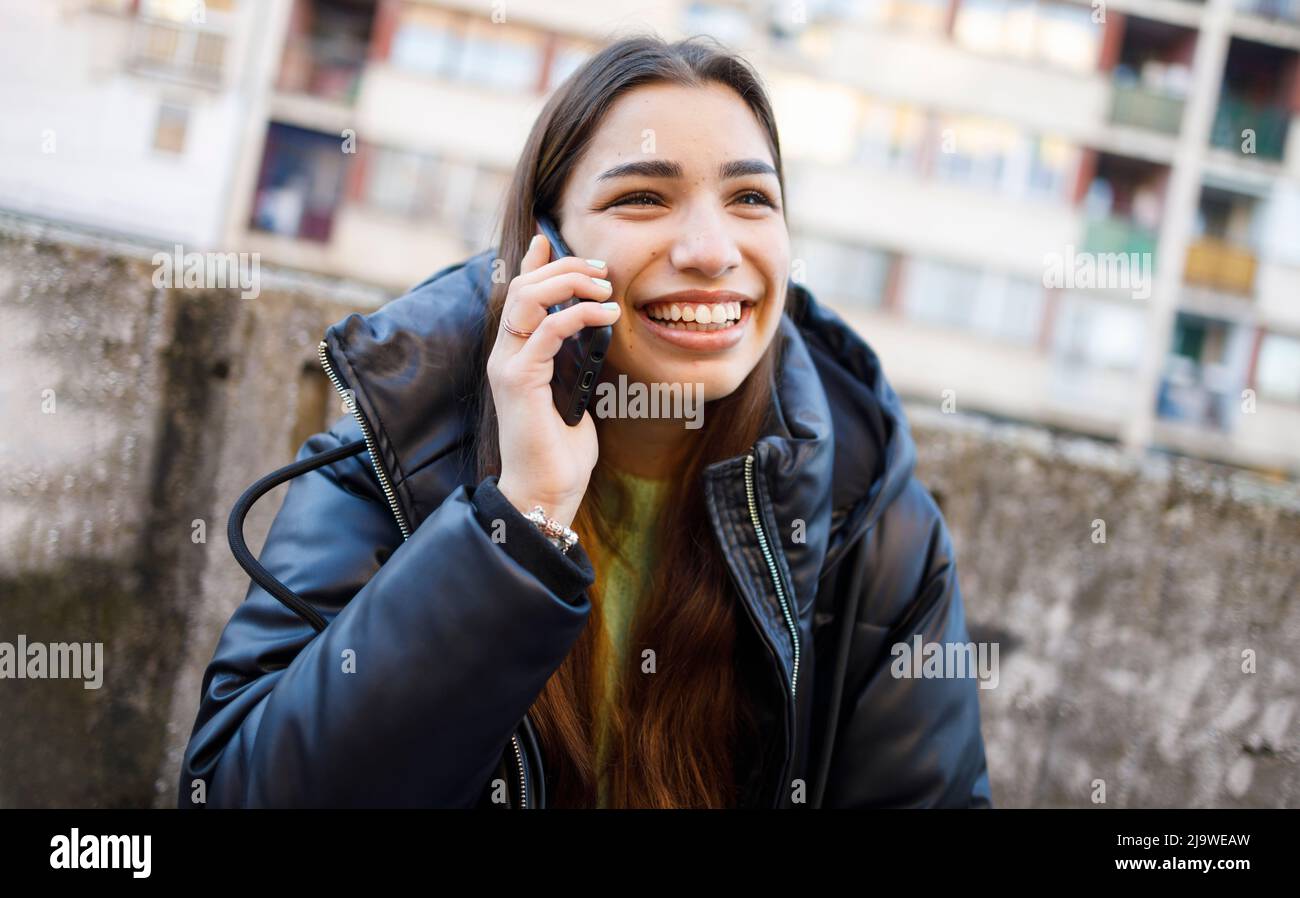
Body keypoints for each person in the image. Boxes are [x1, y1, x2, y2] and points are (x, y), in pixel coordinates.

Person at [177, 34, 992, 809]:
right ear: (545, 245)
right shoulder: (395, 451)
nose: (712, 249)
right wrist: (519, 521)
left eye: (750, 198)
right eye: (644, 196)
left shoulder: (874, 522)